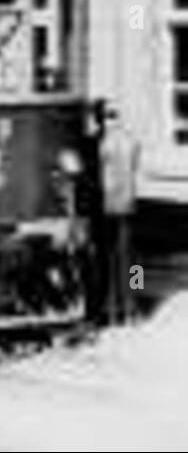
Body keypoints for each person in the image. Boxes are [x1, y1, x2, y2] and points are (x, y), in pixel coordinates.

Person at [98, 104, 139, 324]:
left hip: (109, 205)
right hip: (129, 203)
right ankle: (131, 305)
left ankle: (112, 308)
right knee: (132, 259)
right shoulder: (131, 142)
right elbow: (134, 167)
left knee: (110, 259)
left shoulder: (104, 145)